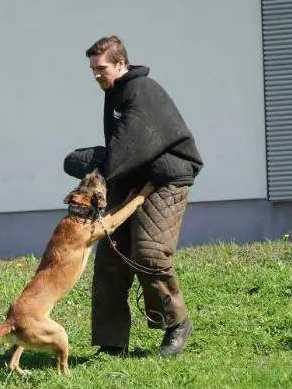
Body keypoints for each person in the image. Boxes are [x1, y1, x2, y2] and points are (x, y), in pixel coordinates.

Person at [63, 35, 203, 356]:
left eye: (101, 68)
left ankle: (176, 325)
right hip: (133, 177)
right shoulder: (115, 93)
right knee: (111, 259)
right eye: (92, 70)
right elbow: (121, 156)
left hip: (166, 179)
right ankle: (113, 344)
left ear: (121, 63)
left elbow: (121, 153)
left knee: (149, 252)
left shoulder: (141, 92)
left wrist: (91, 164)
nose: (96, 74)